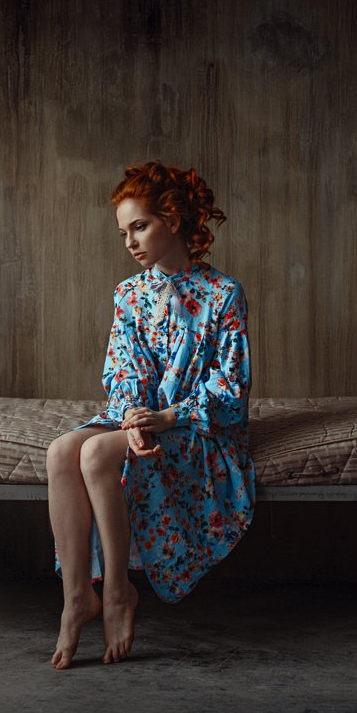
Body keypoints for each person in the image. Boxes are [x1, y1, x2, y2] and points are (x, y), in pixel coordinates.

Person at [45, 161, 255, 669]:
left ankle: (118, 591)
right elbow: (124, 373)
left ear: (173, 221)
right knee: (61, 451)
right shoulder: (129, 294)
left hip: (199, 426)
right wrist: (134, 420)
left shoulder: (223, 293)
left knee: (96, 454)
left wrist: (165, 418)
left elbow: (231, 390)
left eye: (139, 226)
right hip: (139, 417)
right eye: (124, 232)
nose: (130, 242)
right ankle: (78, 597)